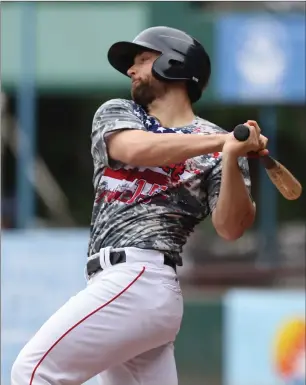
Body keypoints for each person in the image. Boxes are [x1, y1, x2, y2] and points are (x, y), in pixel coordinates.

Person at [11, 26, 268, 385]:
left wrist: (229, 157)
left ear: (176, 65)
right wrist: (222, 141)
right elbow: (133, 149)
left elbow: (231, 227)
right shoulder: (119, 113)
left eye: (144, 60)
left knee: (32, 371)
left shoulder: (221, 147)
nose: (132, 70)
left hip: (141, 276)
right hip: (126, 286)